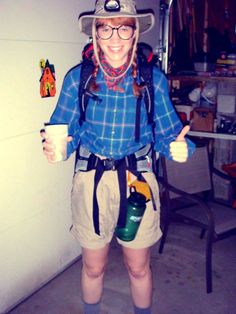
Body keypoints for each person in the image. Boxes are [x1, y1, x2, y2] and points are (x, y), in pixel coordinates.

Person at [41, 0, 195, 313]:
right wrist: (56, 148)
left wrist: (181, 148)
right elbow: (65, 133)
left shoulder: (153, 80)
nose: (115, 37)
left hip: (137, 181)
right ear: (95, 35)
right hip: (91, 181)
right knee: (93, 267)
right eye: (106, 29)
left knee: (138, 268)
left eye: (124, 29)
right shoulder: (76, 79)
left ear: (135, 33)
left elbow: (169, 135)